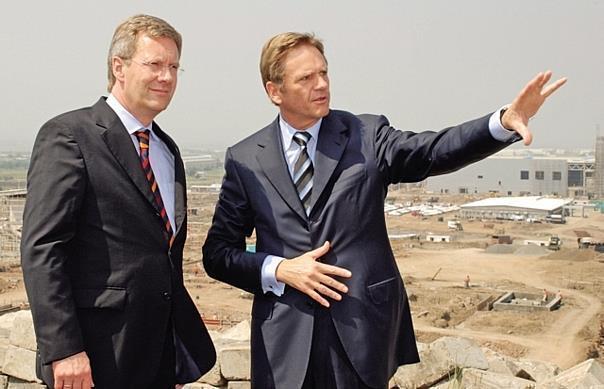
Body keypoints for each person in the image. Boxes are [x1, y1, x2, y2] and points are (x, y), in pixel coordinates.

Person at [202, 32, 566, 389]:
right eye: (306, 78)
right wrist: (280, 269)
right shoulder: (246, 158)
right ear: (275, 91)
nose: (322, 84)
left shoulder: (367, 134)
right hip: (284, 338)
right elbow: (218, 254)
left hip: (359, 331)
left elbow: (432, 150)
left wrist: (500, 123)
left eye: (324, 72)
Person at [21, 14, 215, 389]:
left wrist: (171, 350)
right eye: (155, 64)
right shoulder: (70, 135)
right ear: (119, 67)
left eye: (174, 66)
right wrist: (63, 350)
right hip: (94, 359)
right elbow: (43, 248)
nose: (167, 77)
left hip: (157, 357)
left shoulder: (167, 149)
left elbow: (163, 255)